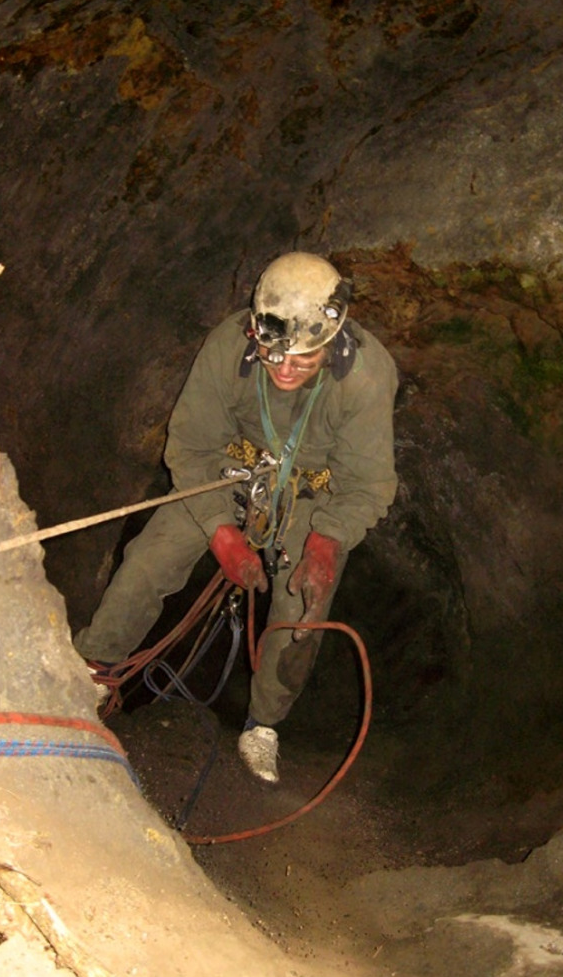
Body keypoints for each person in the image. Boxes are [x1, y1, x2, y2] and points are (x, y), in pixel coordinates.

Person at [74, 252, 398, 784]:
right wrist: (221, 533)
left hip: (313, 496)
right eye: (273, 355)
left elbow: (369, 484)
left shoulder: (365, 375)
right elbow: (189, 447)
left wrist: (328, 541)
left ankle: (263, 724)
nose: (284, 370)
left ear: (332, 341)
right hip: (229, 469)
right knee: (152, 556)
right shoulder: (229, 347)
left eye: (302, 360)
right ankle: (95, 670)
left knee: (302, 605)